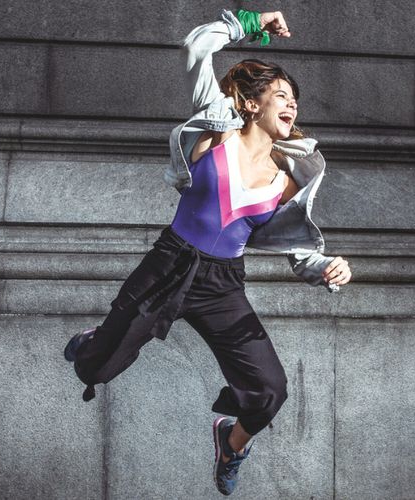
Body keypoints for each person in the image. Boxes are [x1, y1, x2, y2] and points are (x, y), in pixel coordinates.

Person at [64, 8, 352, 496]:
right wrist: (250, 24)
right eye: (281, 95)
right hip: (170, 264)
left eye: (295, 101)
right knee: (98, 367)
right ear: (251, 102)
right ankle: (96, 340)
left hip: (222, 285)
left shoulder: (288, 182)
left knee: (269, 390)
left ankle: (231, 442)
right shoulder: (217, 129)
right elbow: (197, 47)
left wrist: (328, 266)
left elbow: (301, 250)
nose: (292, 106)